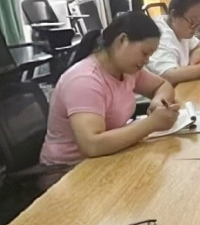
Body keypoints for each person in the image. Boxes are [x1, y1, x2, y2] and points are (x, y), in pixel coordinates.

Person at [40, 12, 181, 166]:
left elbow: (162, 85)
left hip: (108, 157)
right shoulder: (85, 80)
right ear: (122, 40)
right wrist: (151, 123)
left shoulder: (128, 70)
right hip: (69, 170)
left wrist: (159, 102)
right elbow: (92, 145)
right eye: (144, 53)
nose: (146, 60)